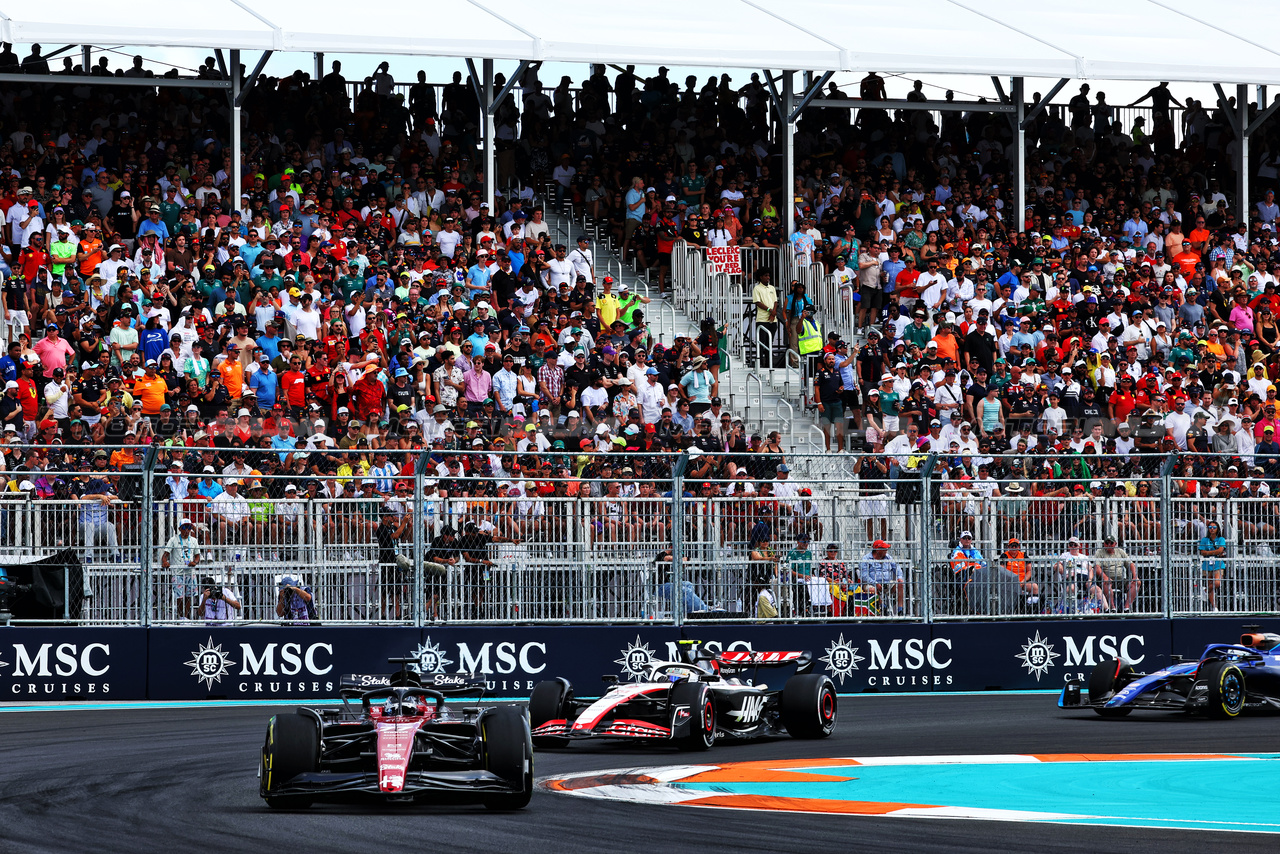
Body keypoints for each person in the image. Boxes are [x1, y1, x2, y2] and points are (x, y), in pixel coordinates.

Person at [161, 518, 202, 620]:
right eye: (184, 527)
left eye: (189, 527)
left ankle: (185, 617)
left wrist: (195, 562)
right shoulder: (173, 540)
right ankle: (181, 616)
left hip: (190, 572)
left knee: (190, 595)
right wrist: (165, 562)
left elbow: (197, 556)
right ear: (179, 528)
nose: (187, 530)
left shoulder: (193, 540)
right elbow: (165, 555)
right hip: (177, 572)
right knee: (179, 597)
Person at [1054, 535, 1106, 613]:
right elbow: (1056, 565)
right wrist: (1062, 569)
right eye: (1071, 544)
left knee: (1097, 589)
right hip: (1071, 576)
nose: (1073, 546)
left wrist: (1089, 579)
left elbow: (1090, 569)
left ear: (1079, 546)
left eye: (1075, 545)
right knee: (1071, 588)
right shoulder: (1065, 555)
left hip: (1084, 577)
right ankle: (1072, 609)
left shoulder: (1084, 557)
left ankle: (1106, 609)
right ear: (1068, 546)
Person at [1093, 534, 1141, 612]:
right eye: (1106, 543)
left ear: (1115, 544)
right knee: (1106, 582)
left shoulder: (1120, 552)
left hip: (1120, 579)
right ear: (1104, 543)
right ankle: (1112, 608)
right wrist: (1105, 577)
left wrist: (1135, 576)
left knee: (1137, 583)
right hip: (1107, 579)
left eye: (1111, 543)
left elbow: (1131, 564)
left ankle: (1127, 608)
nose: (1108, 545)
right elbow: (1096, 567)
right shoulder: (1100, 552)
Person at [858, 539, 906, 615]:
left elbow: (897, 568)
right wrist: (875, 583)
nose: (886, 550)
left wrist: (899, 577)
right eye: (884, 549)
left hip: (887, 583)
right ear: (877, 550)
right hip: (872, 584)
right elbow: (864, 576)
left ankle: (900, 610)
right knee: (872, 589)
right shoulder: (866, 559)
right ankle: (883, 607)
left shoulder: (888, 557)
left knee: (900, 584)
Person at [1197, 521, 1228, 612]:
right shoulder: (1204, 540)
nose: (1212, 529)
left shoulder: (1221, 539)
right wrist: (1215, 552)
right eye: (1210, 527)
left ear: (1217, 528)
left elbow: (1221, 550)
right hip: (1207, 564)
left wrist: (1209, 553)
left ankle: (1205, 591)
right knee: (1211, 584)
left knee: (1217, 583)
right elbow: (1202, 552)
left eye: (1214, 527)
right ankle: (1214, 607)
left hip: (1218, 564)